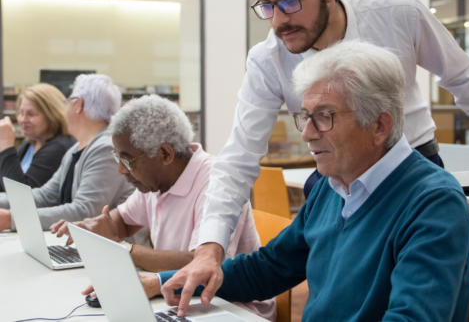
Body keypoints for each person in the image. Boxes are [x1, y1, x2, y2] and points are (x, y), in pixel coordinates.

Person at [167, 0, 469, 308]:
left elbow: (462, 77)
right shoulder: (269, 58)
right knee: (338, 291)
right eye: (266, 5)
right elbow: (238, 159)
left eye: (289, 1)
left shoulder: (396, 12)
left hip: (411, 169)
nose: (278, 21)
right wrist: (209, 248)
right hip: (337, 177)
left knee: (408, 290)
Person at [151, 41, 469, 320]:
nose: (306, 133)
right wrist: (163, 280)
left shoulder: (434, 202)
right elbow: (268, 268)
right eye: (305, 116)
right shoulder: (332, 187)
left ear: (379, 125)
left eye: (324, 116)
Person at [50, 95, 276, 321]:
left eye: (127, 160)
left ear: (165, 154)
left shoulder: (216, 184)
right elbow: (122, 222)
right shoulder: (155, 183)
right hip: (180, 296)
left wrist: (122, 248)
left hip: (232, 306)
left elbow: (199, 264)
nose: (120, 169)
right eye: (117, 157)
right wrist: (90, 230)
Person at [0, 74, 134, 232]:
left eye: (68, 101)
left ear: (78, 104)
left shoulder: (106, 149)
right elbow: (45, 196)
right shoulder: (76, 148)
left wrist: (12, 219)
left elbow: (84, 211)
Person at [0, 84, 75, 191]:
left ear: (52, 115)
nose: (22, 120)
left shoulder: (58, 148)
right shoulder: (30, 142)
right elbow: (5, 180)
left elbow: (21, 193)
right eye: (21, 113)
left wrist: (6, 147)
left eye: (31, 114)